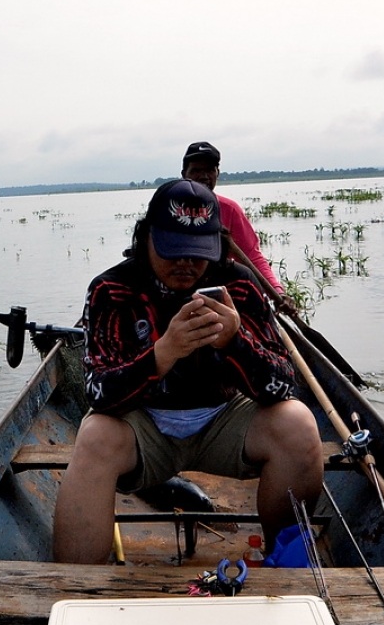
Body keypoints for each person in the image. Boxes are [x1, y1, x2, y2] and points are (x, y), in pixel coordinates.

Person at [53, 179, 324, 564]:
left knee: (298, 423)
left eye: (197, 255)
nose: (185, 265)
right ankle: (76, 586)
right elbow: (98, 394)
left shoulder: (240, 286)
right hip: (143, 425)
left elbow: (283, 384)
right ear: (146, 238)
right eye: (173, 252)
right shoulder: (112, 290)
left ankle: (282, 558)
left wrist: (235, 342)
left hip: (224, 416)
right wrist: (161, 355)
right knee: (94, 434)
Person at [180, 141, 297, 312]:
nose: (204, 176)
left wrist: (277, 292)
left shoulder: (229, 210)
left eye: (209, 170)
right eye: (196, 170)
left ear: (217, 173)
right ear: (184, 174)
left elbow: (252, 257)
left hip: (220, 294)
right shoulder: (170, 208)